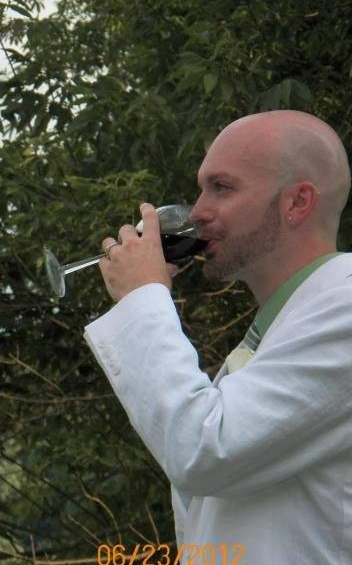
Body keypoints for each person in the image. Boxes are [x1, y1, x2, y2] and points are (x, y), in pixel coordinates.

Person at [84, 110, 352, 562]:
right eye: (202, 188)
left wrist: (142, 297)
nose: (198, 212)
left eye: (222, 188)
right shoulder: (284, 325)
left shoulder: (345, 308)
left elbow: (203, 448)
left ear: (297, 203)